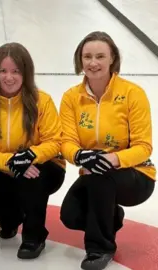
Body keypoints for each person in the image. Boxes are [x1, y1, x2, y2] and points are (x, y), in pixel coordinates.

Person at [59, 31, 155, 270]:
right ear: (79, 60)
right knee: (70, 215)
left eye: (100, 56)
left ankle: (100, 248)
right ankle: (111, 216)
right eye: (87, 56)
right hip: (93, 175)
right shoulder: (71, 97)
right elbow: (67, 142)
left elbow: (144, 147)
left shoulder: (133, 94)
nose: (93, 63)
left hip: (135, 176)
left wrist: (112, 159)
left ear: (112, 59)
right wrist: (80, 155)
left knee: (102, 175)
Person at [0, 42, 66, 260]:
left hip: (42, 165)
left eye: (15, 71)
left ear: (26, 73)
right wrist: (9, 162)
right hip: (3, 166)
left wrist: (30, 156)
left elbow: (54, 140)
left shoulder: (42, 101)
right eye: (3, 71)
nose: (8, 77)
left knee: (31, 179)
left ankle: (34, 236)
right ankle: (11, 218)